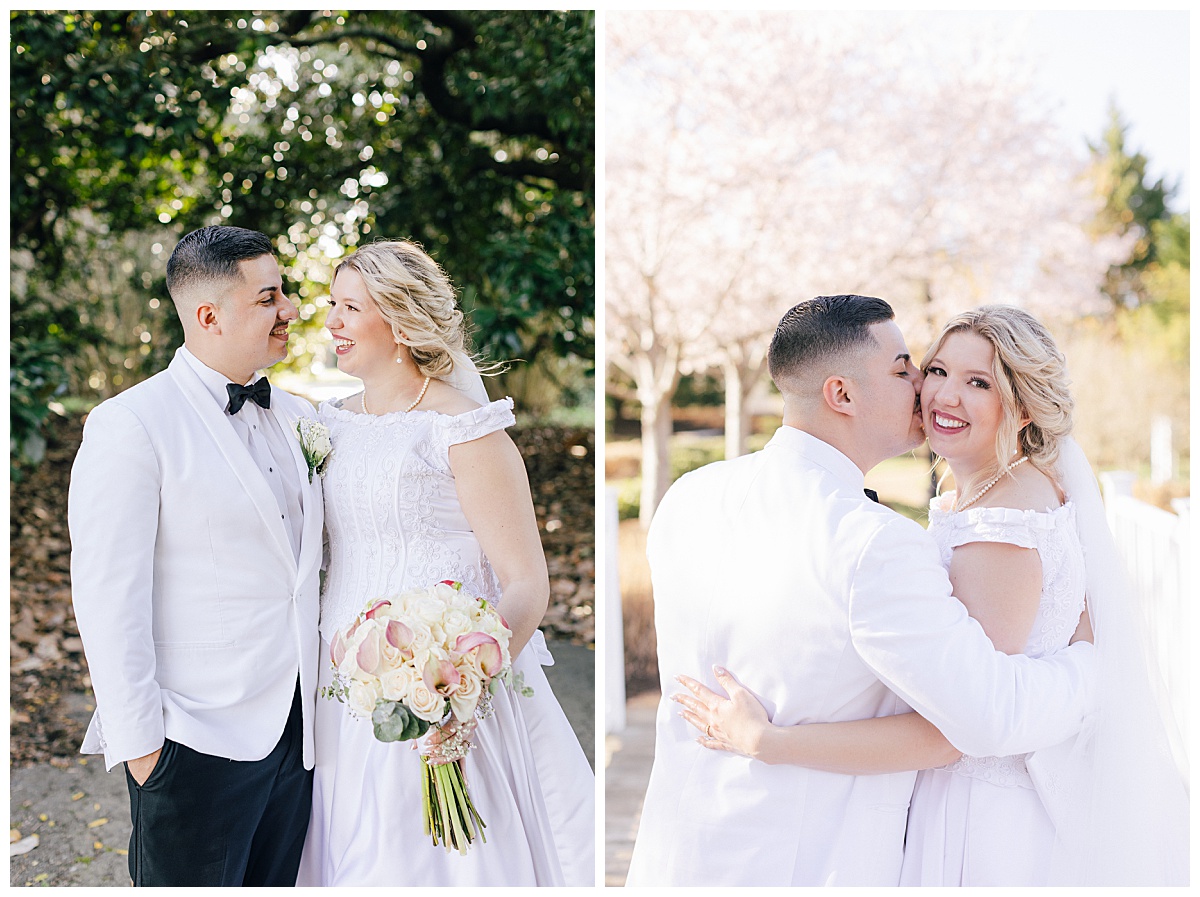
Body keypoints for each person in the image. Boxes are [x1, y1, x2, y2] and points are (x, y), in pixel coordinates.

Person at [675, 305, 1189, 885]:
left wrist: (768, 741)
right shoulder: (974, 491)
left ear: (1021, 406)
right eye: (933, 370)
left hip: (983, 815)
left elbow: (958, 728)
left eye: (978, 383)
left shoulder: (1004, 521)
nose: (941, 394)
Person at [295, 240, 594, 886]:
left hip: (447, 693)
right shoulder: (327, 424)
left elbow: (526, 582)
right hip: (340, 688)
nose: (333, 324)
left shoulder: (465, 430)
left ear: (399, 323)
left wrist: (461, 684)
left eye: (350, 308)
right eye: (332, 306)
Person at [68, 225, 325, 886]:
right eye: (269, 297)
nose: (291, 310)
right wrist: (143, 748)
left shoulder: (300, 416)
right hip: (193, 739)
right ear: (209, 315)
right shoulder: (130, 424)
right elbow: (106, 595)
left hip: (300, 735)